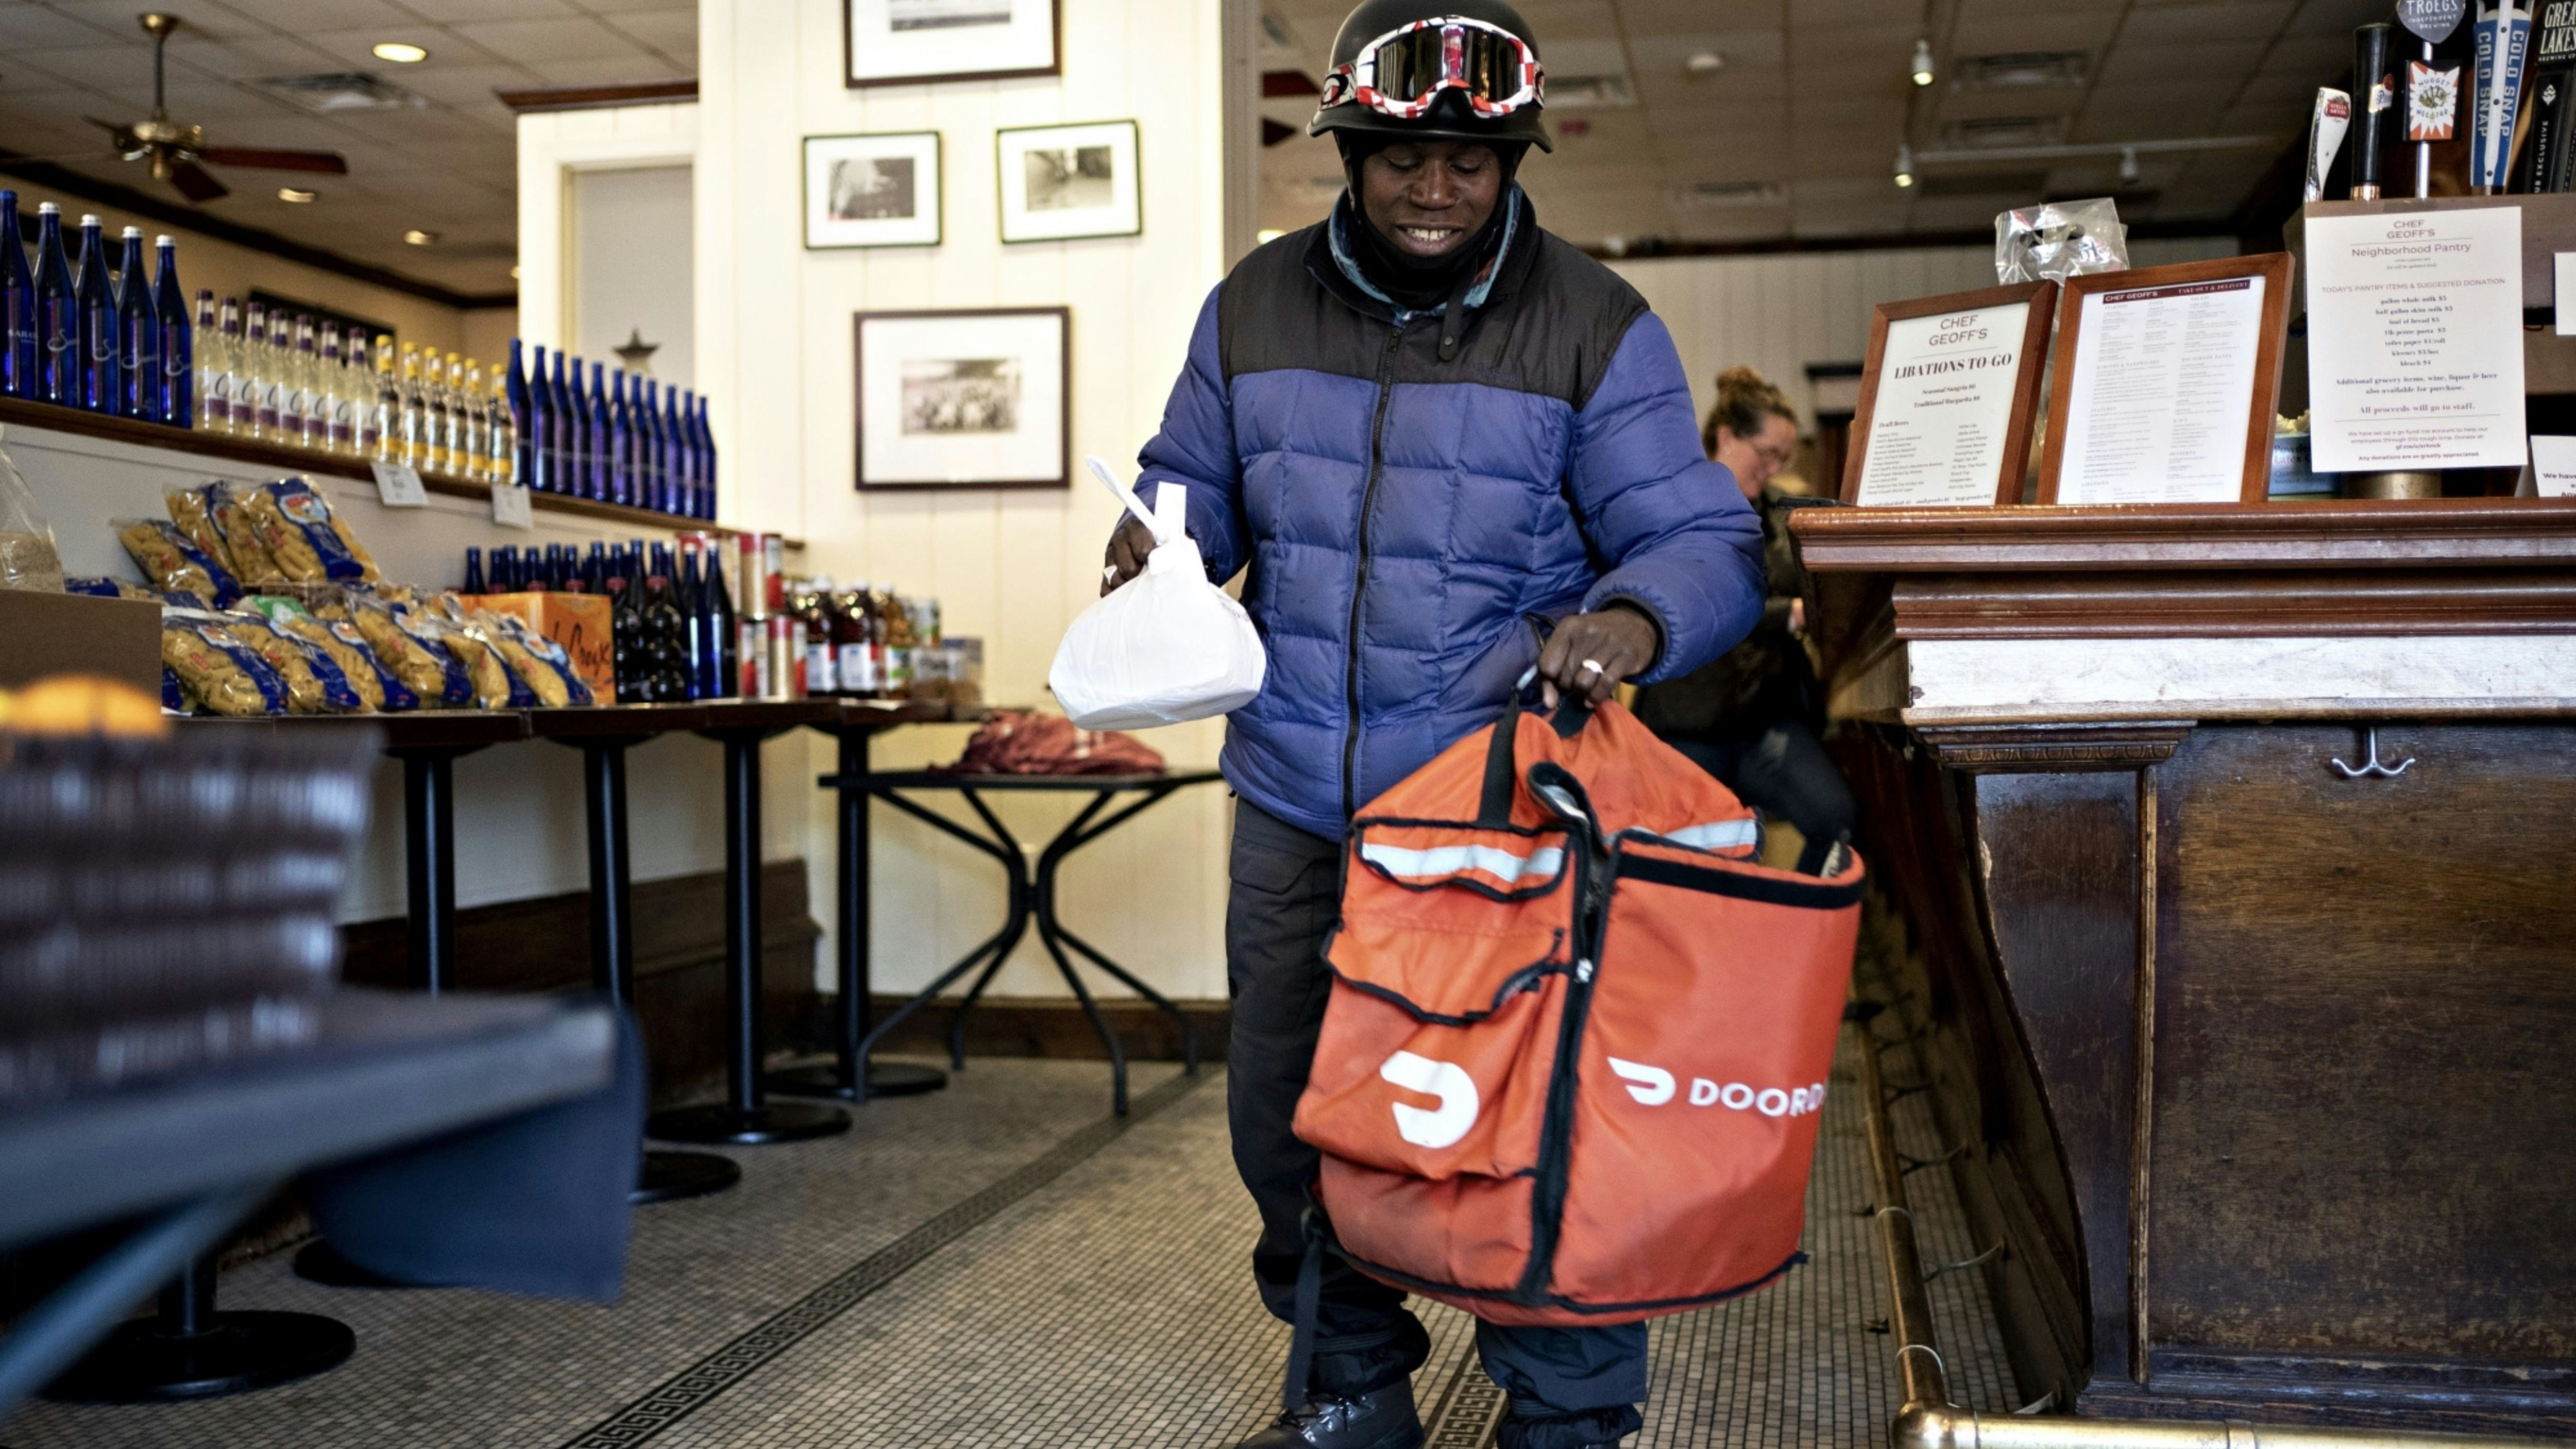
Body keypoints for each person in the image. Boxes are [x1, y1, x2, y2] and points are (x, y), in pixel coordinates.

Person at [1099, 5, 1766, 1445]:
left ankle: (1566, 1416)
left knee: (1530, 1116)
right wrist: (1158, 540)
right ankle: (1351, 1385)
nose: (1436, 188)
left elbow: (1705, 539)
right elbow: (1188, 481)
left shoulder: (1592, 323)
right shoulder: (1252, 304)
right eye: (1404, 156)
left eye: (1472, 158)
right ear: (1347, 148)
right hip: (1296, 797)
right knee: (1289, 1114)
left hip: (1493, 807)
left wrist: (1635, 618)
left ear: (1512, 158)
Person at [1631, 366, 1857, 875]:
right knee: (1685, 857)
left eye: (1784, 458)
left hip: (1764, 723)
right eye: (1767, 454)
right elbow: (1694, 599)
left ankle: (1791, 918)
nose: (1774, 469)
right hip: (1686, 721)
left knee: (1836, 819)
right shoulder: (1672, 509)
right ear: (1727, 436)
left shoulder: (1780, 516)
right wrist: (1786, 614)